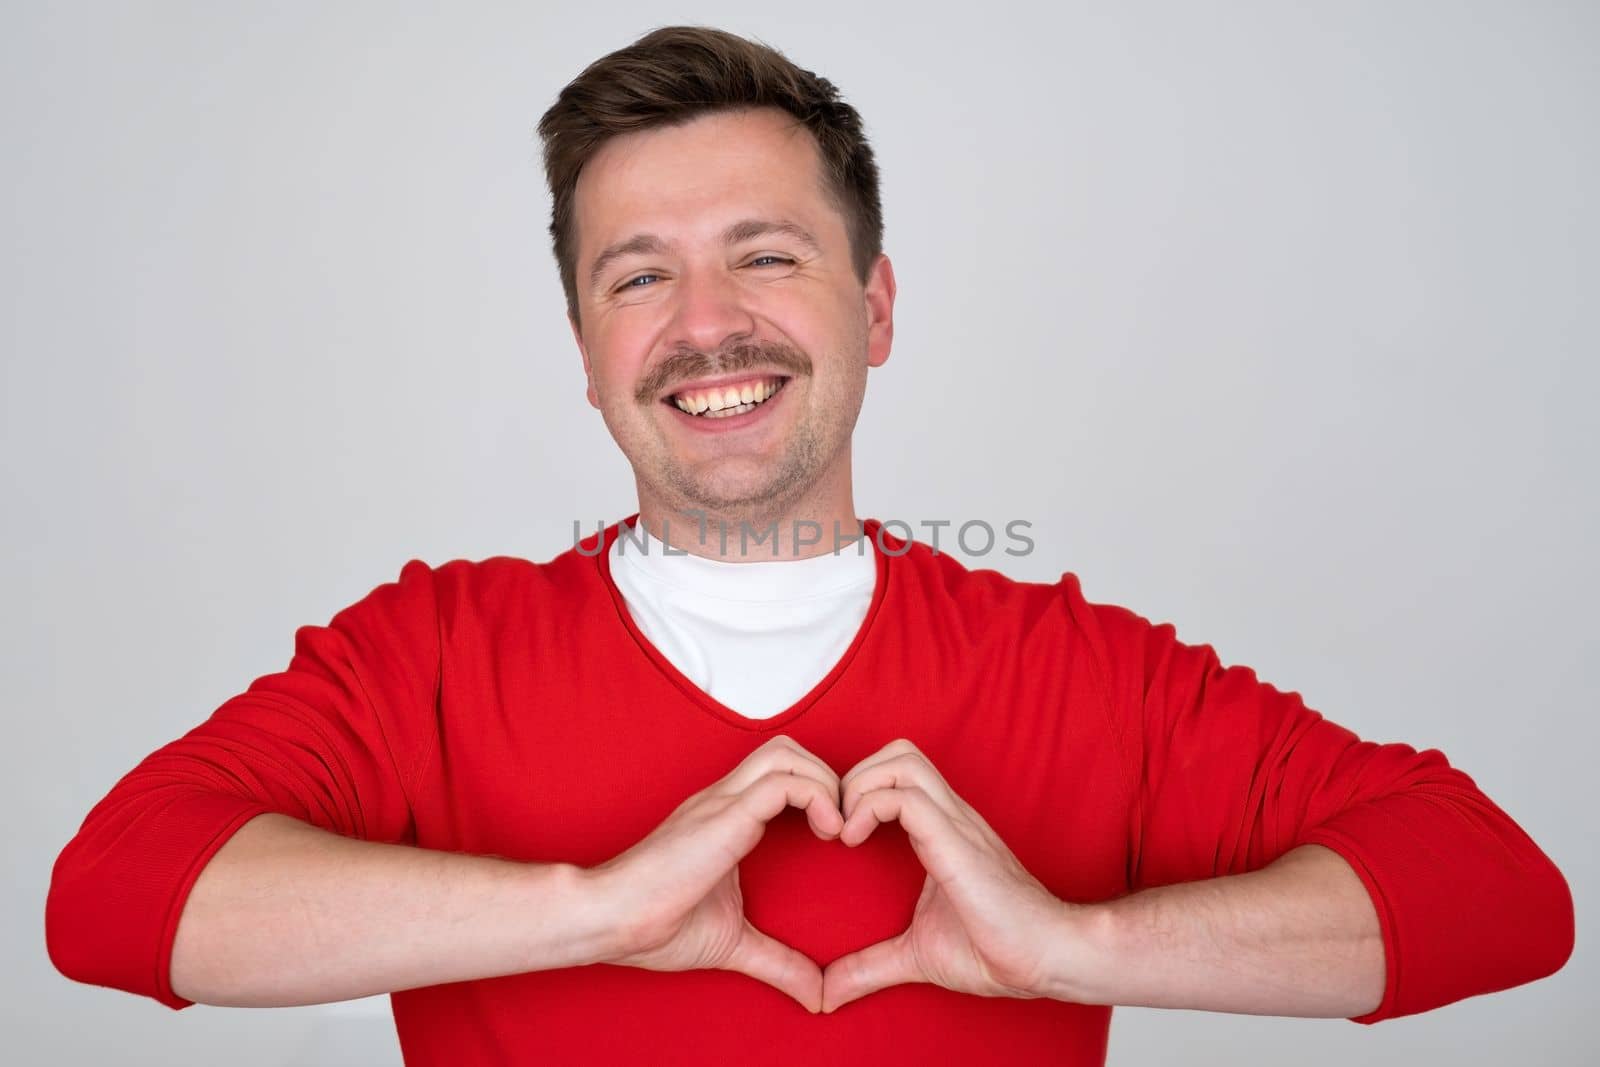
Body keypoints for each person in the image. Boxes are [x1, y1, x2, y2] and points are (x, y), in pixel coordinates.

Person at [45, 25, 1573, 1066]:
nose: (706, 326)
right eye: (638, 278)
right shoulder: (430, 657)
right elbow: (110, 900)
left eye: (765, 257)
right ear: (583, 348)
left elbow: (1501, 898)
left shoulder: (1081, 672)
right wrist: (588, 909)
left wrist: (1071, 946)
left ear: (877, 307)